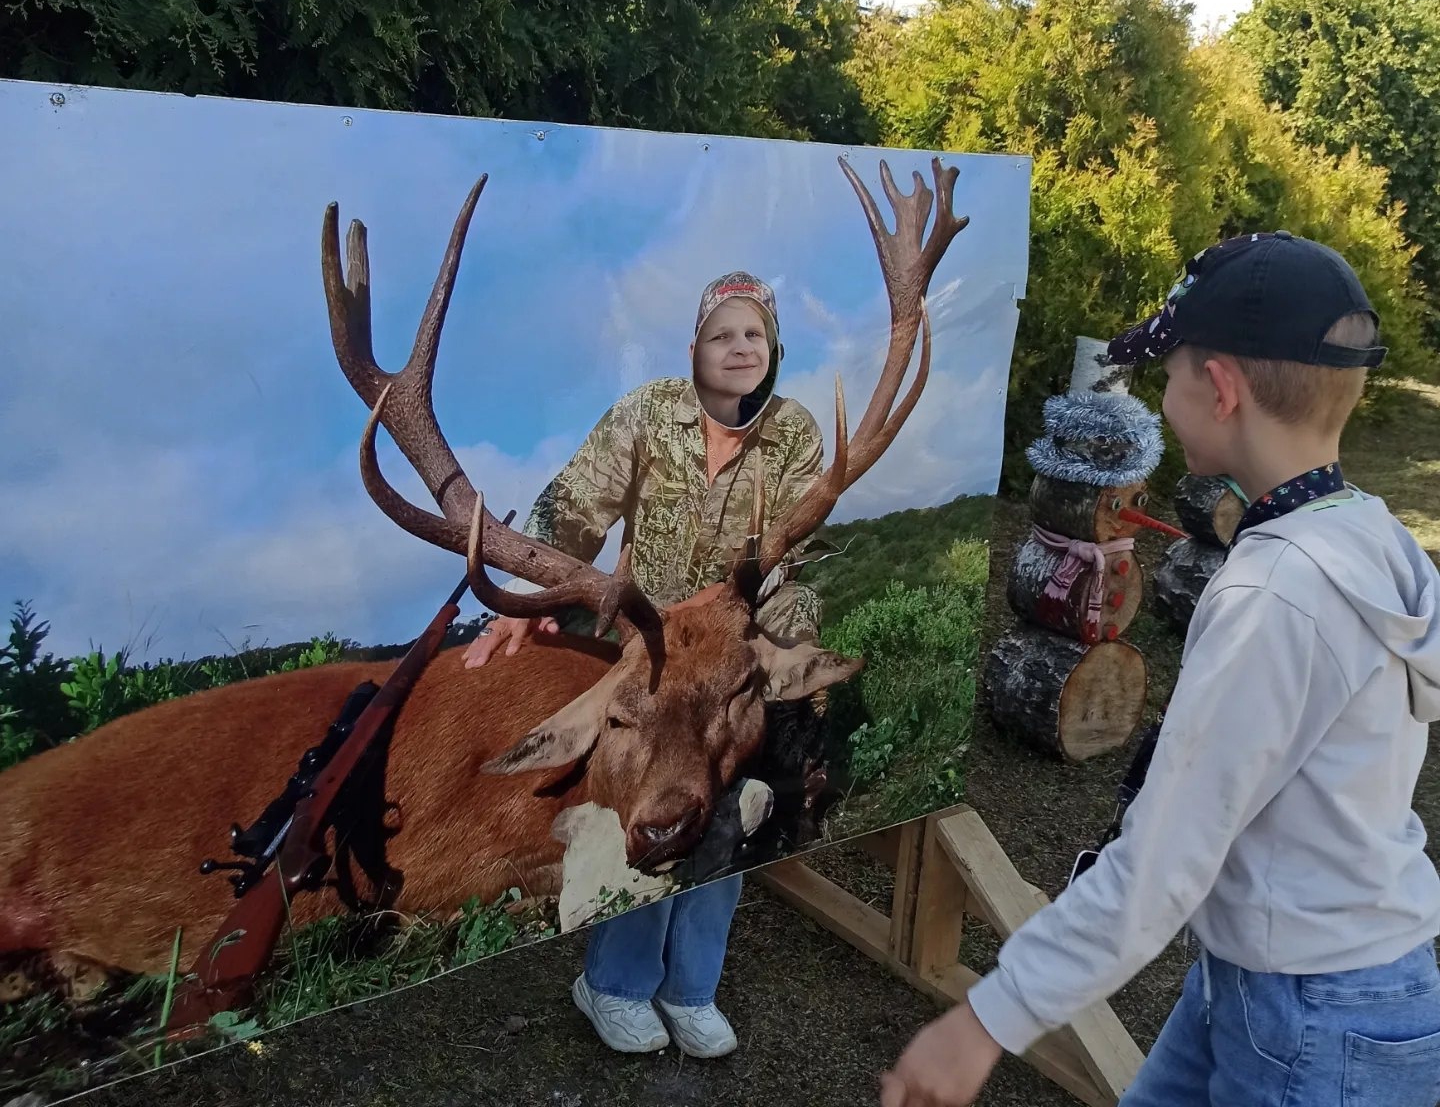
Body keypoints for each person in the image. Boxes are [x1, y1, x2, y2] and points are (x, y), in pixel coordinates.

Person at [882, 230, 1440, 1107]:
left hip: (1311, 1020)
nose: (1163, 400)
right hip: (1282, 976)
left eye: (1171, 374)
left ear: (1217, 390)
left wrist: (987, 1019)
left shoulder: (1275, 595)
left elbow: (1161, 866)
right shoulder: (1366, 530)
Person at [464, 270, 827, 1059]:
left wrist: (748, 635)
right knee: (650, 799)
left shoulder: (795, 432)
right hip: (647, 654)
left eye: (754, 334)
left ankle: (691, 987)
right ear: (694, 348)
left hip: (730, 648)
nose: (739, 347)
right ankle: (616, 982)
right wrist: (522, 603)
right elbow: (573, 510)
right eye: (722, 333)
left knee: (733, 797)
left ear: (774, 350)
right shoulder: (647, 413)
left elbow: (792, 554)